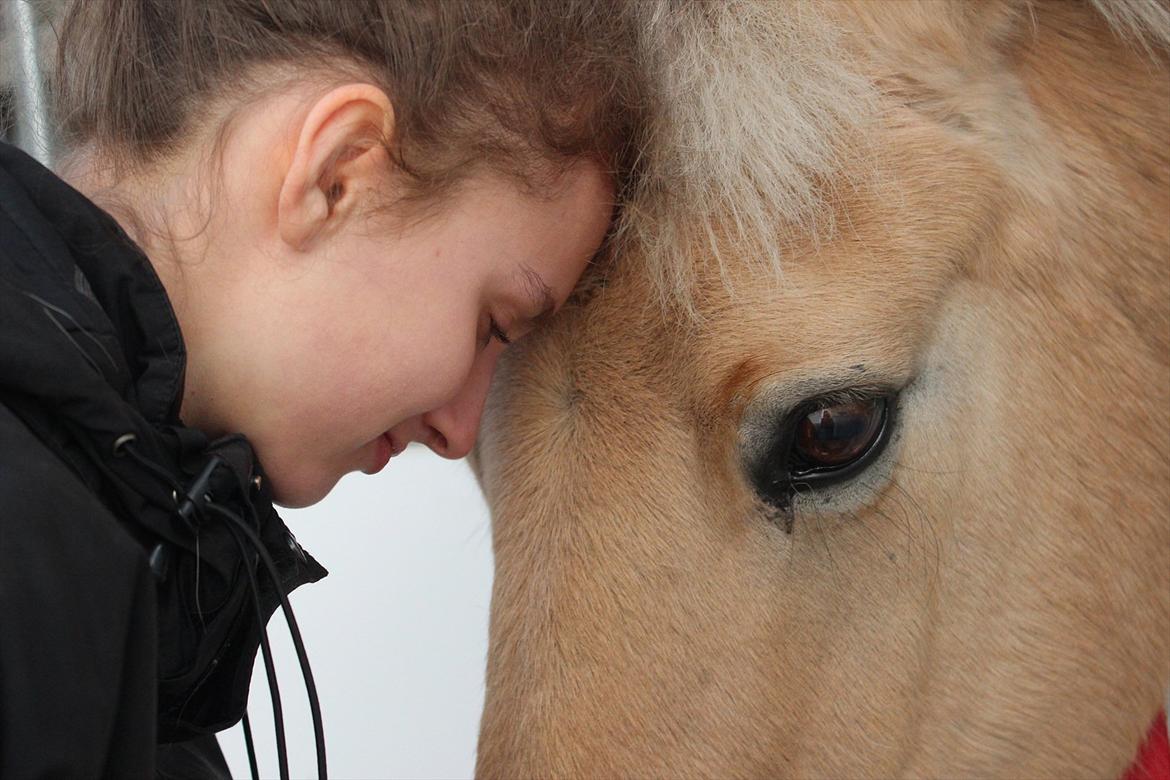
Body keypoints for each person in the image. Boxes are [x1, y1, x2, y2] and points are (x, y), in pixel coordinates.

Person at [0, 1, 644, 776]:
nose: (461, 431)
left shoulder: (120, 558)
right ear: (338, 174)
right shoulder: (32, 543)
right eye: (489, 327)